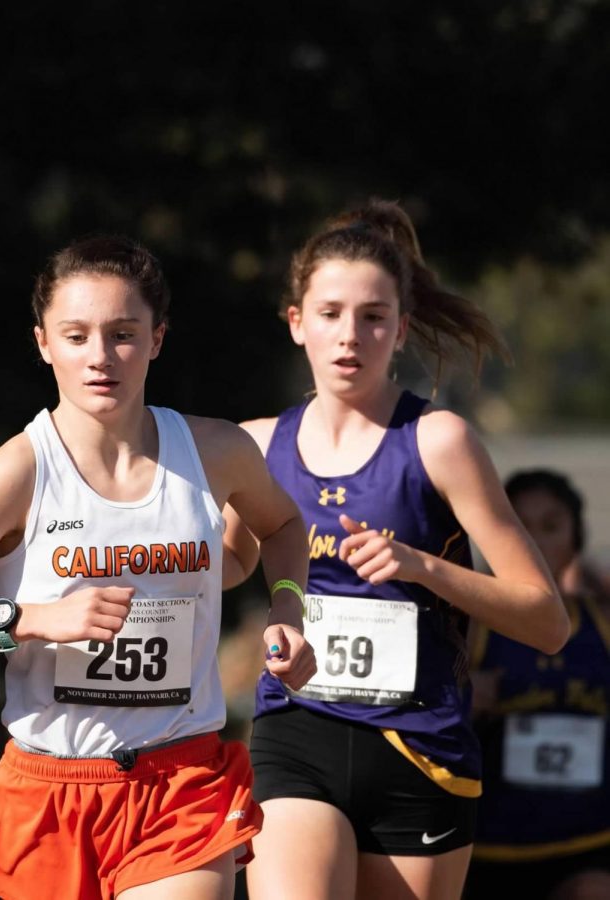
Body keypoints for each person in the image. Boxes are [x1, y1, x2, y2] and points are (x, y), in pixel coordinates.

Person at [0, 234, 317, 900]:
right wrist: (34, 619)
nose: (99, 358)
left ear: (157, 339)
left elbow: (280, 525)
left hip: (178, 783)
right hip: (50, 790)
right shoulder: (15, 473)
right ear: (44, 342)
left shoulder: (217, 451)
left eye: (123, 334)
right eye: (76, 336)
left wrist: (287, 606)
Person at [221, 199, 570, 900]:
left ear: (401, 329)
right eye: (329, 313)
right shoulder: (254, 446)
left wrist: (422, 566)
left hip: (422, 750)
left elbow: (547, 621)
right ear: (297, 323)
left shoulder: (439, 443)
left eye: (373, 317)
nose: (350, 336)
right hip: (297, 731)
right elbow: (223, 571)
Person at [464, 469, 610, 900]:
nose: (536, 543)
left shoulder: (602, 625)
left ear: (576, 537)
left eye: (551, 526)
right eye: (520, 527)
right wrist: (458, 698)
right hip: (488, 847)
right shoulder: (471, 627)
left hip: (589, 841)